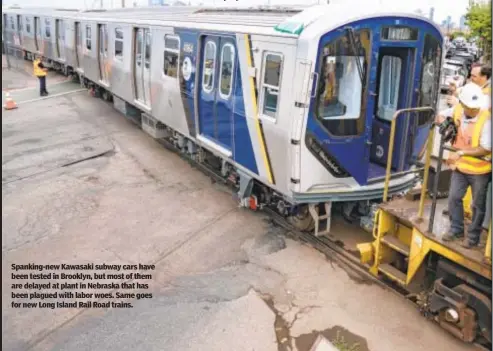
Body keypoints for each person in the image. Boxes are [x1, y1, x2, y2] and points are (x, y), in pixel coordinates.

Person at [436, 83, 492, 248]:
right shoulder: (458, 110)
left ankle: (473, 237)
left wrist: (460, 153)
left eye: (475, 108)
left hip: (480, 171)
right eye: (470, 108)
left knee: (477, 205)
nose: (473, 110)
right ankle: (457, 230)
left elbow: (486, 148)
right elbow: (440, 116)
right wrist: (444, 123)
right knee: (454, 198)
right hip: (461, 168)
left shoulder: (486, 120)